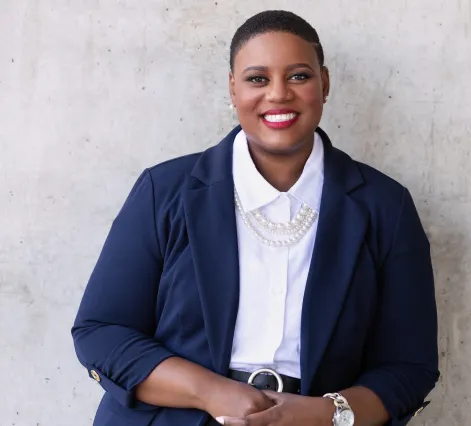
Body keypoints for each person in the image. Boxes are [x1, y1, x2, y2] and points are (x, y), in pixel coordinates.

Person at [72, 10, 439, 426]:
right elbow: (101, 331)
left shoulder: (385, 207)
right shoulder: (165, 191)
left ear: (325, 84)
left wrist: (324, 414)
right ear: (233, 88)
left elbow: (410, 366)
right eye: (257, 78)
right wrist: (213, 393)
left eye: (299, 76)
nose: (278, 94)